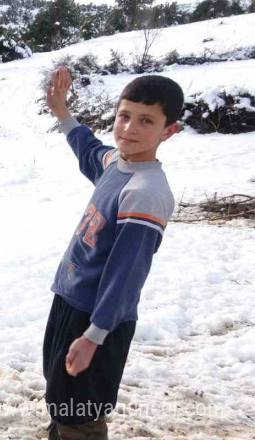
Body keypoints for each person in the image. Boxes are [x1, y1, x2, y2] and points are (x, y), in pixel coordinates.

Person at [42, 67, 183, 439]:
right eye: (124, 116)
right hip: (70, 301)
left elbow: (127, 276)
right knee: (61, 397)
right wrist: (62, 112)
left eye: (146, 121)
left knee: (80, 411)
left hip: (98, 317)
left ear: (168, 131)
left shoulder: (145, 192)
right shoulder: (116, 166)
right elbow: (88, 149)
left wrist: (94, 335)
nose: (129, 129)